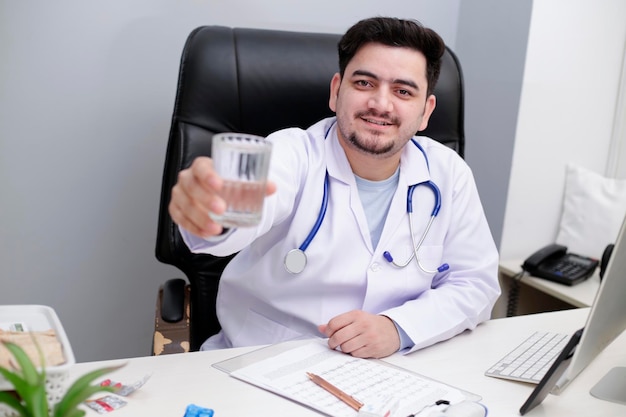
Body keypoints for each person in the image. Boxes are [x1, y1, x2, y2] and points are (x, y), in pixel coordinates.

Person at [168, 16, 500, 359]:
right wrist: (212, 210)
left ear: (426, 111)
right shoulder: (290, 153)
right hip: (263, 365)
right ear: (336, 90)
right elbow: (243, 212)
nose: (381, 104)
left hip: (390, 372)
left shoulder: (448, 174)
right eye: (365, 83)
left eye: (403, 91)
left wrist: (398, 328)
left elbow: (475, 283)